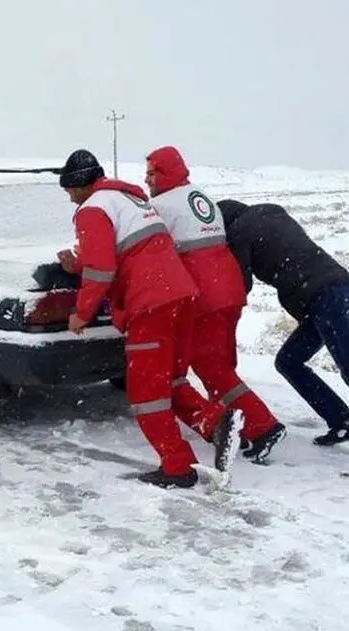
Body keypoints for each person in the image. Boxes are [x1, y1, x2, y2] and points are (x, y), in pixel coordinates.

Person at [57, 148, 235, 489]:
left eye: (68, 189)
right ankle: (216, 424)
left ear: (79, 185)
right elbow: (126, 252)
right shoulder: (130, 200)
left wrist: (81, 314)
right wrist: (75, 265)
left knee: (145, 392)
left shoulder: (92, 209)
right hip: (181, 294)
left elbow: (102, 269)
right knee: (170, 381)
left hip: (149, 303)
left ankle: (177, 467)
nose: (68, 196)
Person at [218, 199, 349, 471]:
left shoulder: (239, 231)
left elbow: (241, 284)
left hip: (323, 299)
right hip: (340, 288)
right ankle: (344, 422)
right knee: (289, 361)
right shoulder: (271, 212)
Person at [144, 146, 286, 463]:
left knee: (212, 368)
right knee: (221, 364)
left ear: (165, 172)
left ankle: (262, 427)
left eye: (152, 172)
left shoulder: (161, 205)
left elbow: (149, 248)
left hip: (204, 295)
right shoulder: (199, 196)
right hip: (229, 288)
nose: (146, 178)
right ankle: (235, 425)